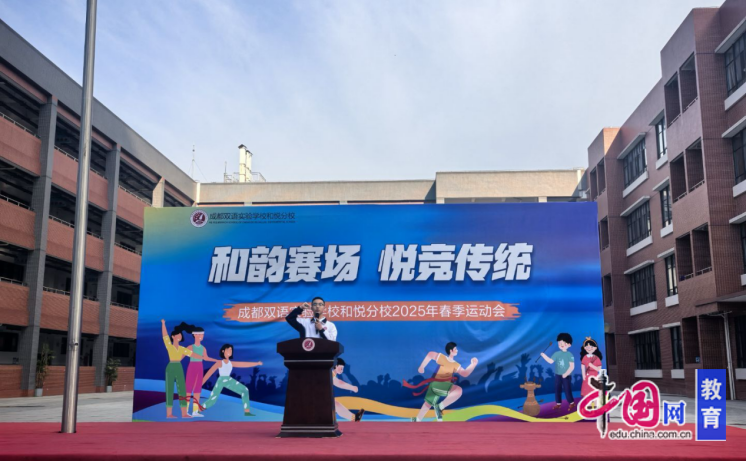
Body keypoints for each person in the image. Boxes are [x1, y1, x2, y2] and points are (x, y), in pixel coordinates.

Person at [409, 342, 478, 422]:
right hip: (437, 384)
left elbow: (465, 373)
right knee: (458, 390)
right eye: (455, 349)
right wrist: (421, 367)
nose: (457, 350)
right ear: (451, 350)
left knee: (427, 404)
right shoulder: (443, 358)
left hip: (435, 386)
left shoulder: (455, 364)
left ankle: (417, 419)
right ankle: (439, 407)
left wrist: (473, 364)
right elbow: (430, 354)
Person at [161, 320, 205, 419]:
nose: (180, 336)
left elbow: (192, 354)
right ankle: (169, 413)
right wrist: (163, 324)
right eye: (178, 334)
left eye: (180, 334)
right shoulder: (169, 346)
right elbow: (165, 336)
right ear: (173, 336)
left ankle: (184, 413)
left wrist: (202, 357)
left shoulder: (182, 348)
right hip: (171, 367)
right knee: (169, 389)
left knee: (182, 390)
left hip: (179, 367)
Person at [201, 344, 262, 416]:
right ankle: (198, 409)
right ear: (223, 351)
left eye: (231, 350)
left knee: (245, 390)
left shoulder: (231, 363)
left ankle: (247, 412)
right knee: (212, 400)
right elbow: (209, 373)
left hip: (228, 379)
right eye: (228, 350)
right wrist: (201, 384)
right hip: (221, 380)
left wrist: (256, 363)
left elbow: (243, 364)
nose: (230, 351)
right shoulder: (220, 362)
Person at [184, 325, 218, 417]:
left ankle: (195, 411)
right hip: (192, 367)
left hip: (199, 367)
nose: (202, 336)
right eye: (200, 334)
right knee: (188, 389)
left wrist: (216, 360)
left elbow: (206, 358)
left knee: (197, 389)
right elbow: (181, 355)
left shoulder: (203, 348)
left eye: (202, 334)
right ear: (195, 335)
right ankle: (185, 411)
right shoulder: (190, 347)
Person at [539, 332, 576, 411]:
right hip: (558, 375)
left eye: (563, 343)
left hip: (566, 375)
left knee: (567, 390)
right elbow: (550, 361)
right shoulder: (556, 354)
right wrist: (543, 355)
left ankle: (572, 403)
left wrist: (566, 374)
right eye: (559, 343)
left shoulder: (569, 354)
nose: (561, 344)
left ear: (569, 344)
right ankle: (558, 404)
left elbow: (572, 366)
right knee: (557, 389)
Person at [580, 336, 603, 403]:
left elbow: (598, 368)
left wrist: (591, 365)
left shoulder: (596, 358)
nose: (589, 348)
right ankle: (588, 404)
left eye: (591, 347)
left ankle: (595, 404)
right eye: (587, 347)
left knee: (594, 390)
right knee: (587, 391)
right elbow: (582, 366)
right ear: (585, 348)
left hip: (595, 376)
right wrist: (583, 375)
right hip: (587, 376)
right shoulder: (584, 357)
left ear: (595, 348)